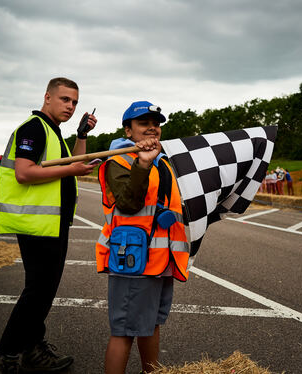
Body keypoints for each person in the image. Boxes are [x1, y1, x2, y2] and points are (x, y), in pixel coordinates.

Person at [0, 77, 98, 373]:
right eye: (65, 99)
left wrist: (82, 134)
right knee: (38, 292)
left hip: (51, 223)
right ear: (47, 97)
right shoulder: (34, 128)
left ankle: (32, 348)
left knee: (42, 291)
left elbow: (74, 161)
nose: (71, 106)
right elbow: (24, 172)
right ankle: (5, 357)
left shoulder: (52, 132)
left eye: (75, 102)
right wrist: (72, 169)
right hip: (37, 223)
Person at [96, 101, 189, 374]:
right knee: (124, 331)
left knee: (151, 325)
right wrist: (142, 164)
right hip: (132, 257)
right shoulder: (119, 161)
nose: (152, 128)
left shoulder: (163, 161)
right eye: (143, 123)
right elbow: (127, 204)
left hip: (160, 259)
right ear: (128, 131)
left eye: (156, 123)